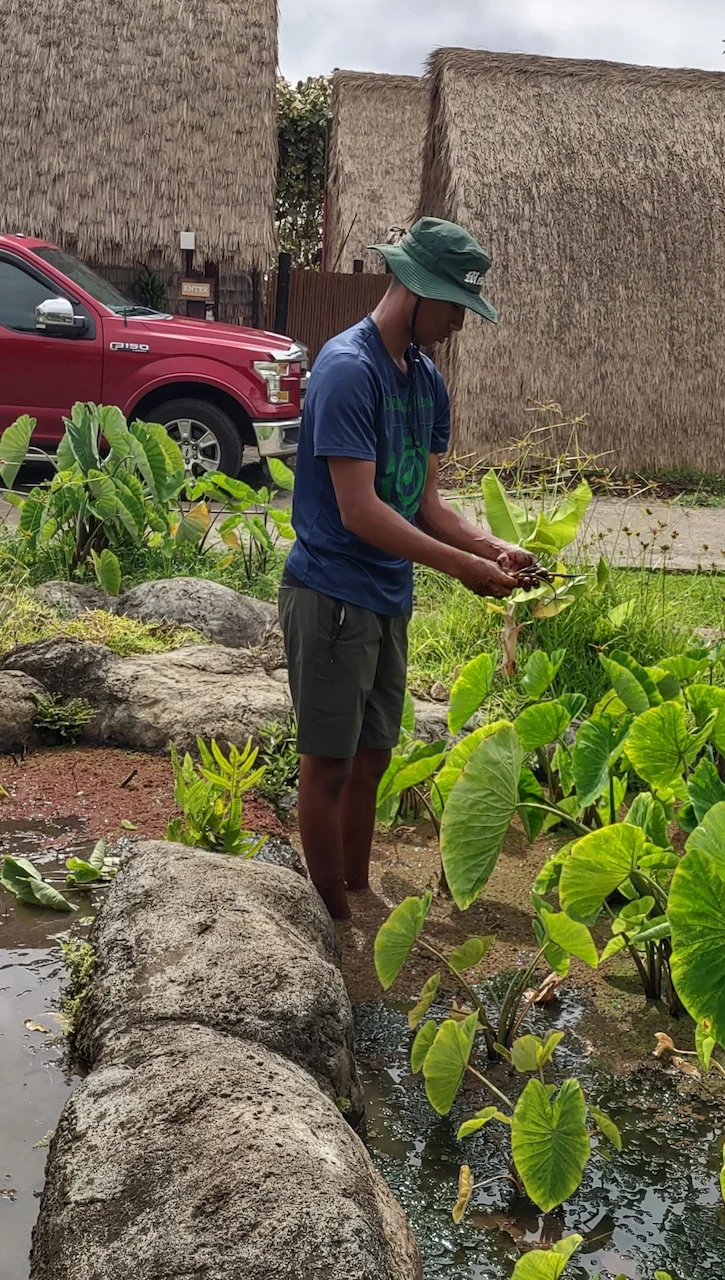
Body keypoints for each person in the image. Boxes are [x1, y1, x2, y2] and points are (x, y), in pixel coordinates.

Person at [279, 216, 538, 920]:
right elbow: (360, 510)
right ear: (417, 289)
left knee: (371, 759)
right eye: (455, 305)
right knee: (328, 764)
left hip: (387, 595)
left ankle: (355, 894)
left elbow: (425, 502)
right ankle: (330, 917)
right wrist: (461, 569)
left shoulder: (425, 381)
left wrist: (491, 548)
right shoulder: (345, 370)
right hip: (331, 592)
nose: (459, 322)